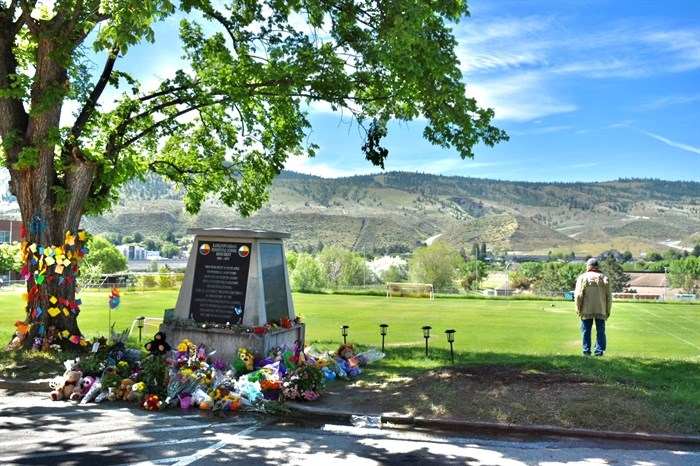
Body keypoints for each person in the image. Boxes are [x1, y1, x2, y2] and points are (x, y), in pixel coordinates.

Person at [574, 258, 612, 356]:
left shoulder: (582, 277)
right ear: (597, 266)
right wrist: (608, 310)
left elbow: (578, 295)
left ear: (588, 266)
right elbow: (609, 297)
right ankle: (599, 351)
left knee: (586, 330)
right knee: (601, 331)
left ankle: (586, 351)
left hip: (586, 309)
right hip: (601, 309)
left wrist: (578, 308)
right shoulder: (605, 278)